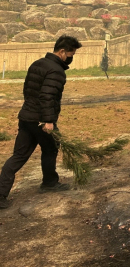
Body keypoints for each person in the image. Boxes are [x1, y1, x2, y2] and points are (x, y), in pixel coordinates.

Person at [0, 35, 82, 209]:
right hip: (40, 119)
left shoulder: (37, 63)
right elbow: (47, 96)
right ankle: (49, 183)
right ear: (62, 52)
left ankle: (1, 195)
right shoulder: (56, 71)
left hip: (26, 116)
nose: (71, 58)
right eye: (70, 54)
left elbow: (28, 91)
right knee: (51, 147)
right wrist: (48, 120)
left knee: (18, 156)